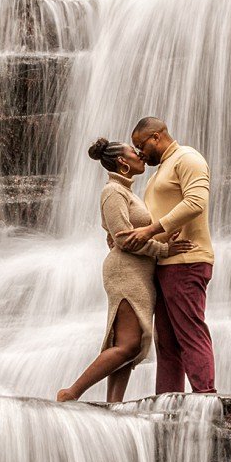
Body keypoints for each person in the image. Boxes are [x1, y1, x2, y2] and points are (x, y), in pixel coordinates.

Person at [57, 137, 193, 403]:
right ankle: (70, 393)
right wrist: (163, 250)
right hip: (125, 272)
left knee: (127, 345)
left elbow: (132, 234)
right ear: (122, 161)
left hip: (139, 272)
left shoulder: (126, 192)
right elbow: (123, 239)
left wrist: (166, 235)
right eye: (134, 151)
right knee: (129, 343)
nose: (140, 154)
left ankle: (114, 404)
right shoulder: (113, 192)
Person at [118, 117, 216, 394]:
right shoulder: (162, 170)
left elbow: (196, 202)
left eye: (141, 145)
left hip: (187, 260)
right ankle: (168, 401)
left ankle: (204, 396)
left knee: (189, 331)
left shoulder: (188, 158)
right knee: (167, 342)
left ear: (157, 137)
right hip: (163, 261)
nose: (139, 153)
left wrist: (151, 230)